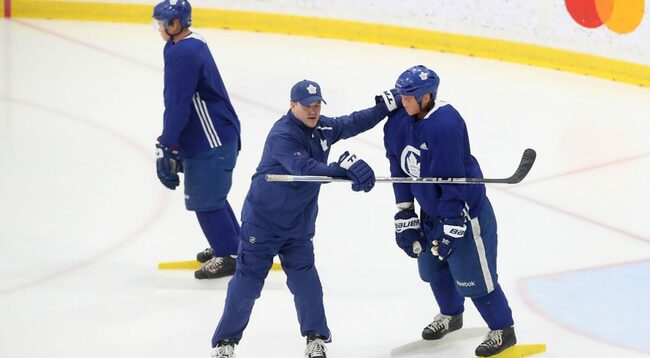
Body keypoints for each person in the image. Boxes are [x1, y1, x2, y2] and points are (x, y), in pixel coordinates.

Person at [210, 80, 400, 358]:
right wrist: (341, 171)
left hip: (298, 224)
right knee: (248, 282)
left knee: (307, 283)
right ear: (292, 105)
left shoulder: (323, 127)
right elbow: (303, 168)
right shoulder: (282, 134)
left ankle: (316, 337)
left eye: (317, 105)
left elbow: (352, 122)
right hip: (262, 223)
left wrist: (383, 108)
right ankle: (226, 343)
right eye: (307, 106)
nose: (313, 111)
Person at [383, 65, 517, 357]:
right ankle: (451, 315)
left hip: (465, 212)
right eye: (402, 97)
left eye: (409, 97)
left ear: (426, 96)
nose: (402, 101)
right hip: (430, 212)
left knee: (474, 277)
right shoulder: (396, 123)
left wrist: (454, 222)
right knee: (432, 267)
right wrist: (405, 212)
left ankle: (503, 329)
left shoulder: (445, 124)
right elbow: (398, 168)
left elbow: (451, 177)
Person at [152, 0, 241, 279]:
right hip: (214, 135)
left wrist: (167, 144)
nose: (159, 28)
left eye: (163, 22)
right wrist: (175, 142)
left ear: (177, 24)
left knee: (204, 200)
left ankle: (228, 255)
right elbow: (180, 101)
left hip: (211, 140)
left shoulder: (183, 52)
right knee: (213, 196)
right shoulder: (183, 45)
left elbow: (177, 104)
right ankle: (232, 245)